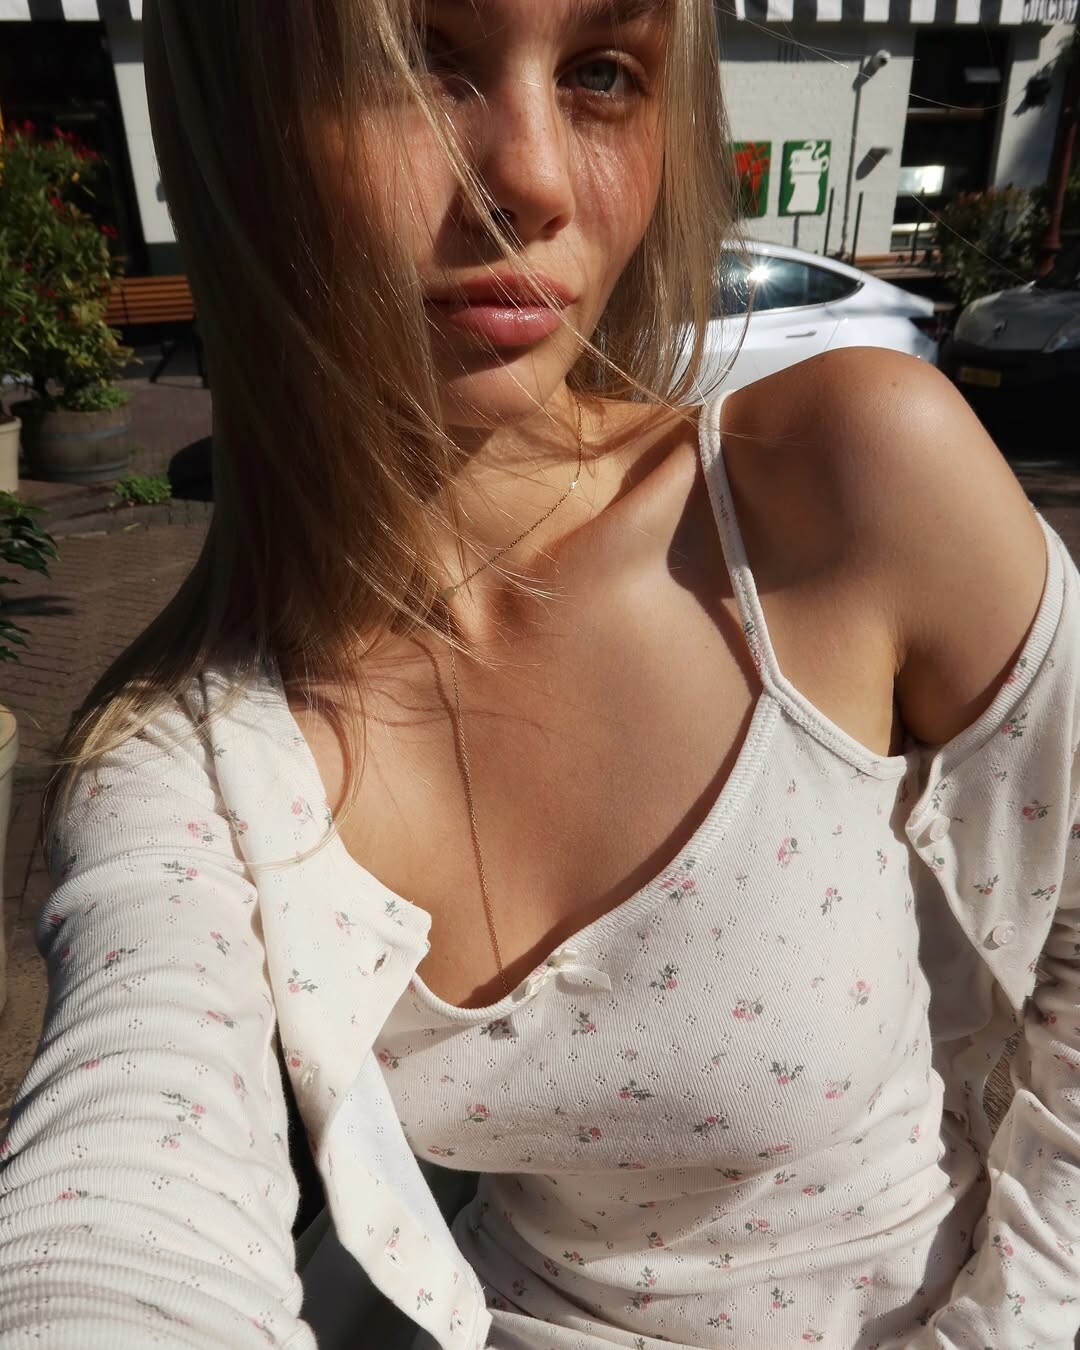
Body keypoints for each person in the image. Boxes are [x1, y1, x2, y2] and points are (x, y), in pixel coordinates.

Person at [0, 0, 1077, 1346]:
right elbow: (129, 1187)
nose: (532, 176)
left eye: (603, 73)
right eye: (412, 64)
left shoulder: (838, 487)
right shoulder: (198, 762)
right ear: (234, 122)